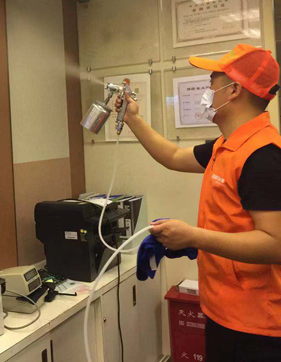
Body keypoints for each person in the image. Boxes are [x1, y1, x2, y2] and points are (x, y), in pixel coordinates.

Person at [115, 44, 281, 362]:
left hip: (256, 326)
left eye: (211, 82)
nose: (208, 91)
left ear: (234, 90)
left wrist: (193, 237)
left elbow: (275, 244)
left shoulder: (263, 155)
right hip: (223, 310)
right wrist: (133, 119)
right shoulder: (228, 145)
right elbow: (174, 156)